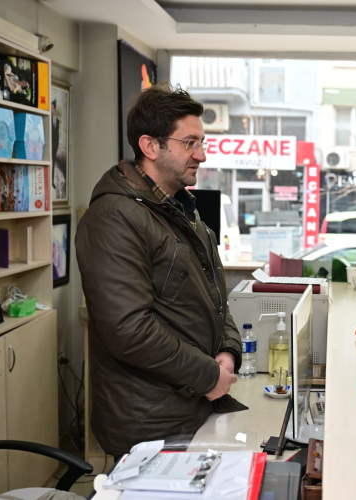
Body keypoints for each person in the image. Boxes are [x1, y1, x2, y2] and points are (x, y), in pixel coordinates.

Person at [75, 84, 243, 458]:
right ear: (151, 146)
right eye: (189, 143)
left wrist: (227, 351)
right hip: (150, 423)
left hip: (193, 408)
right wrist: (207, 375)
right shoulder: (114, 218)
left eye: (201, 142)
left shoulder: (183, 210)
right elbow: (129, 330)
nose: (201, 154)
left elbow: (215, 298)